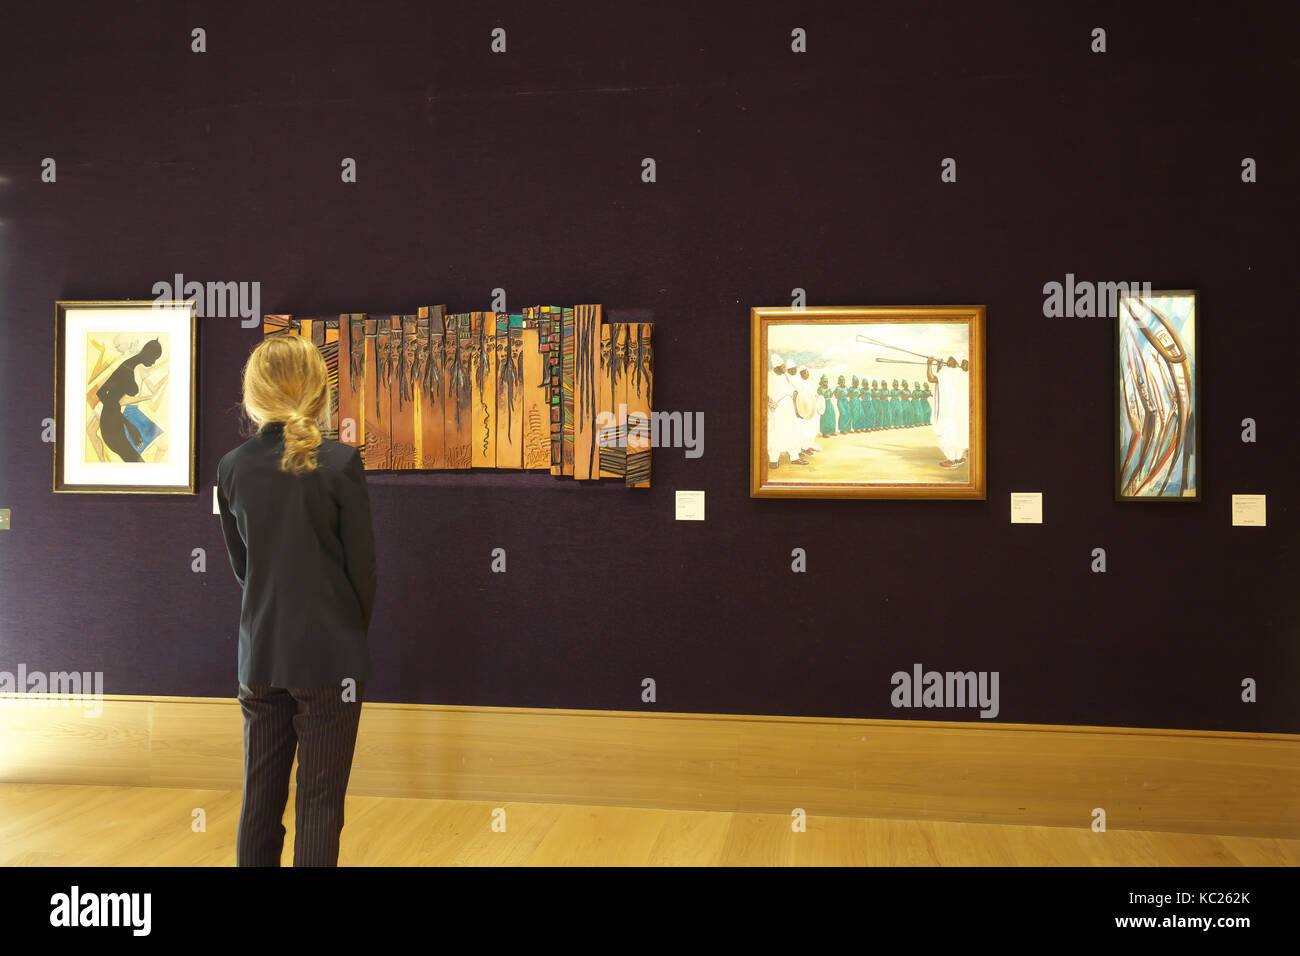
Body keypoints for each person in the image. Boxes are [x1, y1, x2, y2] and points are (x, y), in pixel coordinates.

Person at [216, 334, 378, 866]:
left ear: (253, 395)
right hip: (331, 659)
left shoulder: (231, 468)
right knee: (320, 802)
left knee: (259, 801)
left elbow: (245, 570)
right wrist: (348, 638)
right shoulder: (340, 463)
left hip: (259, 656)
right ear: (318, 391)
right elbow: (363, 575)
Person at [928, 355, 970, 467]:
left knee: (948, 435)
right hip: (957, 411)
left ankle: (952, 460)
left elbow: (932, 379)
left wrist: (929, 364)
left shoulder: (950, 374)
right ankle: (960, 457)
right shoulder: (960, 374)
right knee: (958, 434)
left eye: (950, 359)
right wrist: (939, 368)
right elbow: (942, 384)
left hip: (949, 412)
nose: (948, 361)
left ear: (956, 362)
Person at [817, 373, 837, 438]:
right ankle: (825, 433)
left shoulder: (828, 388)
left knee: (832, 415)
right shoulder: (820, 388)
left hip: (829, 403)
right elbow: (820, 396)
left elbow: (830, 396)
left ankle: (831, 431)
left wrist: (833, 392)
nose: (826, 383)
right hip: (823, 403)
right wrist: (825, 393)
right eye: (825, 381)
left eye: (827, 381)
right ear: (822, 382)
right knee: (825, 417)